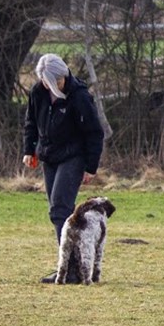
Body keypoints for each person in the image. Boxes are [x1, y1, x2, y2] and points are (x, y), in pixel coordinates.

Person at [22, 54, 106, 282]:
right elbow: (31, 121)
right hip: (49, 156)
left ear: (63, 77)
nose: (51, 86)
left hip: (74, 156)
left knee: (59, 208)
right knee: (59, 213)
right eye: (47, 82)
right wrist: (29, 149)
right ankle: (72, 266)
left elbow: (94, 132)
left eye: (55, 82)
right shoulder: (38, 92)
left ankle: (70, 270)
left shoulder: (79, 97)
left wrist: (90, 166)